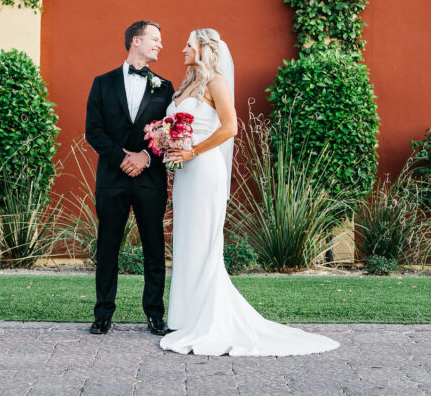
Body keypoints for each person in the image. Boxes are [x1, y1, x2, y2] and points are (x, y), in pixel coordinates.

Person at [160, 28, 340, 356]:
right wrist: (166, 139)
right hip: (185, 173)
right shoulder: (187, 83)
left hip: (204, 168)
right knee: (186, 239)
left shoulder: (215, 81)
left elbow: (231, 127)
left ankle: (206, 317)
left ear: (203, 49)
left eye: (188, 45)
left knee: (203, 240)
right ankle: (185, 316)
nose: (182, 50)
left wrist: (193, 150)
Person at [85, 20, 175, 336]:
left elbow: (170, 132)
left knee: (154, 247)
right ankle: (103, 314)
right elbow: (93, 131)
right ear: (136, 41)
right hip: (112, 178)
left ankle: (154, 314)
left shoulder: (165, 87)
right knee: (108, 245)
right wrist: (123, 158)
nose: (160, 45)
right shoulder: (102, 83)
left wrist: (146, 157)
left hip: (150, 180)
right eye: (155, 39)